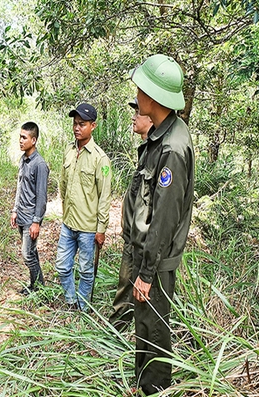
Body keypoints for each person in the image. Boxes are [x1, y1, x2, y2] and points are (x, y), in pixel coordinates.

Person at [129, 54, 195, 394]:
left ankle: (154, 389)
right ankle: (142, 386)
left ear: (153, 97)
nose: (136, 95)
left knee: (154, 333)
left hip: (156, 260)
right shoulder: (161, 134)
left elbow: (164, 219)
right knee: (144, 327)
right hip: (149, 256)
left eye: (141, 89)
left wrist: (146, 273)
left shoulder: (172, 147)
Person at [55, 103, 112, 310]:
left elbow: (104, 196)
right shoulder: (69, 150)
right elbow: (62, 183)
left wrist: (101, 229)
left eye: (82, 124)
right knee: (62, 266)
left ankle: (84, 307)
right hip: (68, 224)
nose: (77, 128)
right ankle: (71, 300)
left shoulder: (100, 159)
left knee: (86, 271)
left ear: (93, 126)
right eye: (75, 124)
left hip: (88, 228)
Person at [109, 98, 153, 331]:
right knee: (125, 281)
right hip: (132, 237)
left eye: (139, 112)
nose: (134, 117)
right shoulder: (145, 149)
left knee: (129, 283)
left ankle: (120, 329)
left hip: (142, 240)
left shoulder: (158, 152)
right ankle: (119, 327)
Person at [10, 122, 50, 295]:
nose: (20, 140)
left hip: (31, 218)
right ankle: (37, 285)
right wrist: (15, 209)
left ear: (33, 140)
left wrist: (36, 222)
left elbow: (41, 196)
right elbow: (20, 187)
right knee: (31, 253)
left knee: (27, 254)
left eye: (24, 137)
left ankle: (38, 289)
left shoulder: (39, 165)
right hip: (22, 215)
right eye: (20, 136)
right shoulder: (23, 159)